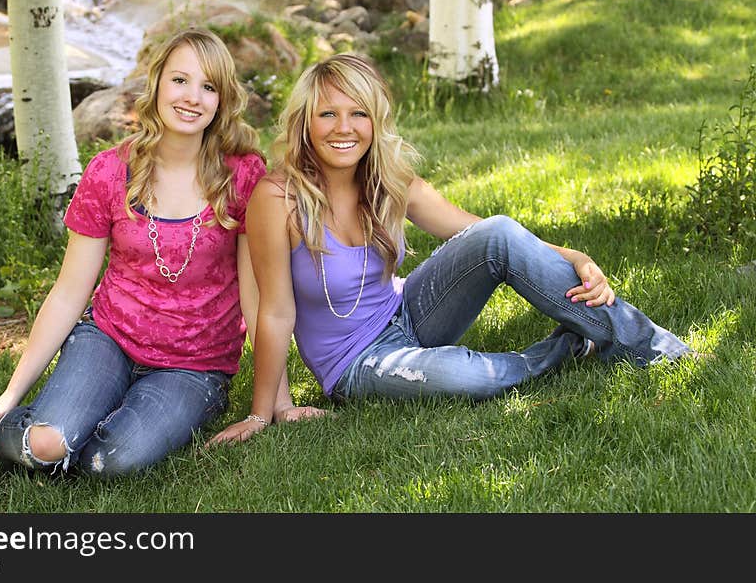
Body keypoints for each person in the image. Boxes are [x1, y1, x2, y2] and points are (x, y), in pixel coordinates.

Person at [207, 53, 694, 446]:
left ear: (375, 122)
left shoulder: (389, 182)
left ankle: (654, 348)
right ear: (305, 123)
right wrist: (265, 410)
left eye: (358, 113)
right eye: (328, 113)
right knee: (470, 380)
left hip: (409, 313)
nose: (344, 127)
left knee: (501, 232)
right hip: (354, 365)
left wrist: (572, 256)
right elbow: (273, 312)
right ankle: (571, 347)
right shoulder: (279, 199)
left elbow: (487, 234)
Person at [0, 27, 317, 476]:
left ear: (222, 101)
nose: (192, 97)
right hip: (109, 339)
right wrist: (11, 393)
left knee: (110, 462)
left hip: (195, 365)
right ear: (157, 86)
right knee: (49, 444)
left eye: (208, 87)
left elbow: (255, 294)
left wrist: (277, 404)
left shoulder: (242, 175)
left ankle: (66, 429)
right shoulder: (110, 171)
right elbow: (70, 292)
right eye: (180, 80)